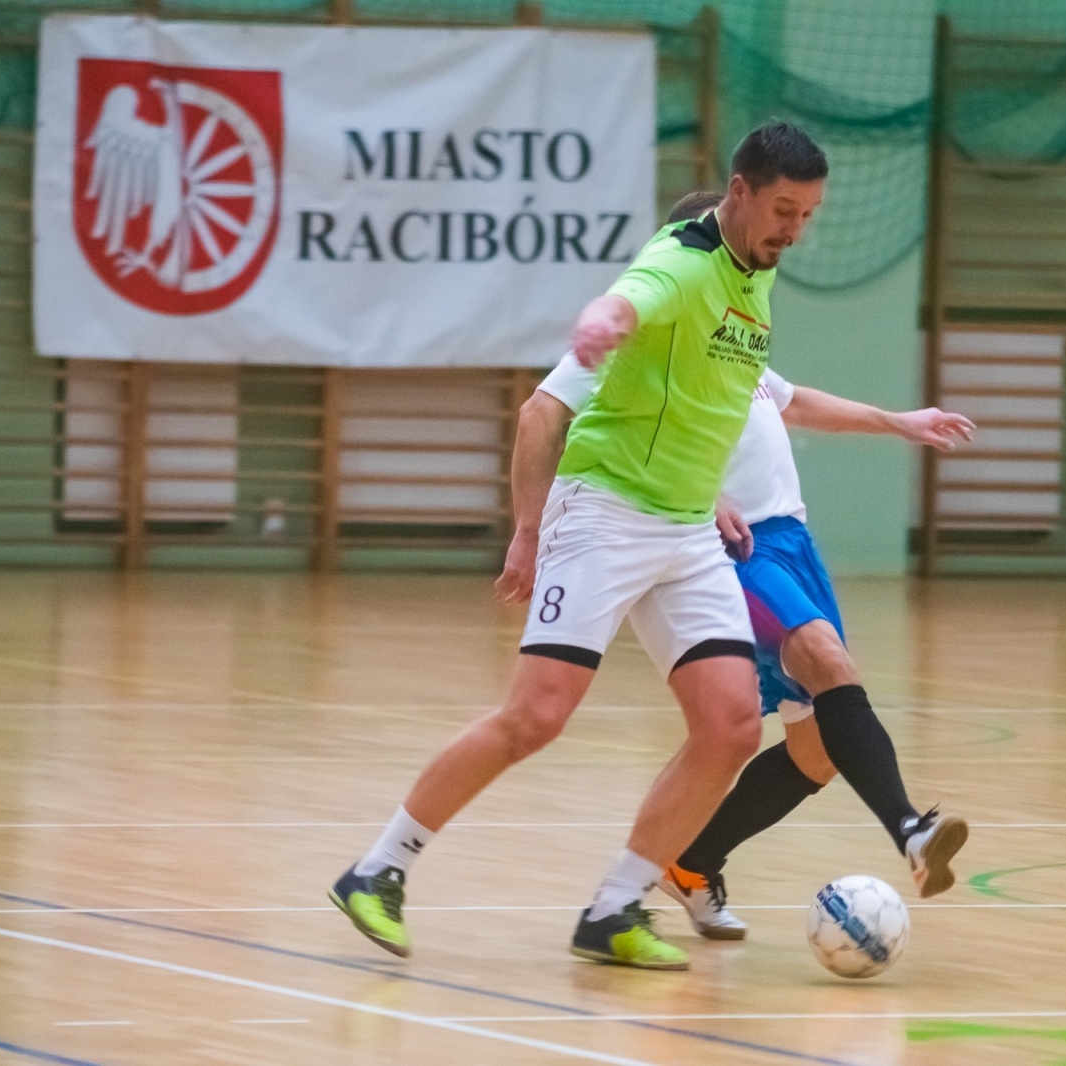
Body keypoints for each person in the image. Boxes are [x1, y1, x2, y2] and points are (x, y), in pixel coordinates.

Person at [330, 123, 827, 971]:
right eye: (783, 209)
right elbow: (631, 296)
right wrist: (601, 323)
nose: (793, 229)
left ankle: (613, 907)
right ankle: (378, 869)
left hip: (684, 528)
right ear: (739, 190)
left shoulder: (754, 278)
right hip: (604, 513)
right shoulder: (687, 259)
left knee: (732, 724)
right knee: (537, 716)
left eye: (808, 215)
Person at [500, 191, 974, 942]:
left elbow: (795, 402)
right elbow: (581, 423)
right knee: (825, 659)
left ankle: (692, 859)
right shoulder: (641, 340)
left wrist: (896, 422)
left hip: (792, 544)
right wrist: (691, 493)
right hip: (728, 546)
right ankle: (911, 831)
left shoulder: (733, 342)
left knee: (816, 750)